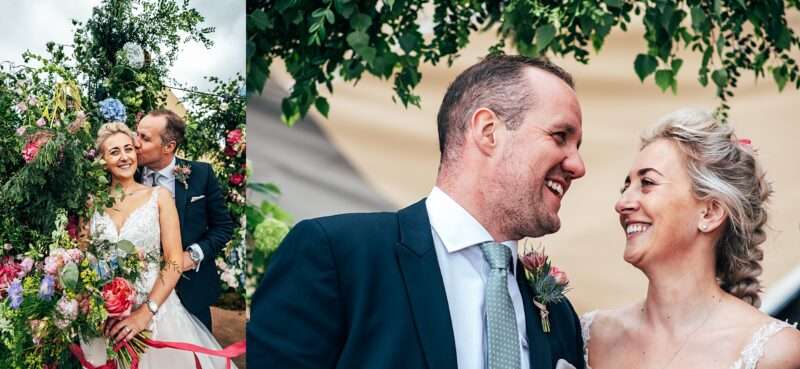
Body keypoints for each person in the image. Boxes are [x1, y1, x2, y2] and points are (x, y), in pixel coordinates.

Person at [248, 55, 587, 369]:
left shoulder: (559, 315)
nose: (578, 166)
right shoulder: (337, 256)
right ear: (488, 131)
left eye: (577, 146)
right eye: (560, 136)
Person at [581, 109, 800, 369]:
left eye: (647, 183)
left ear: (710, 212)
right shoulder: (591, 337)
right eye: (625, 187)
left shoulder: (775, 352)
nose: (622, 203)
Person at [84, 122, 236, 368]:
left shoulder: (159, 197)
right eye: (114, 152)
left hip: (157, 315)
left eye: (128, 149)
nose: (124, 157)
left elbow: (174, 261)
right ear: (102, 160)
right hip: (106, 318)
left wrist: (145, 313)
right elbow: (86, 259)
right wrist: (91, 303)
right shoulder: (92, 205)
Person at [134, 110, 235, 330]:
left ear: (169, 146)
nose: (135, 143)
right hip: (137, 293)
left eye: (145, 138)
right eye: (137, 134)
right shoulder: (127, 174)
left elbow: (223, 227)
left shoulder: (201, 174)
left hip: (191, 292)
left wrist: (192, 256)